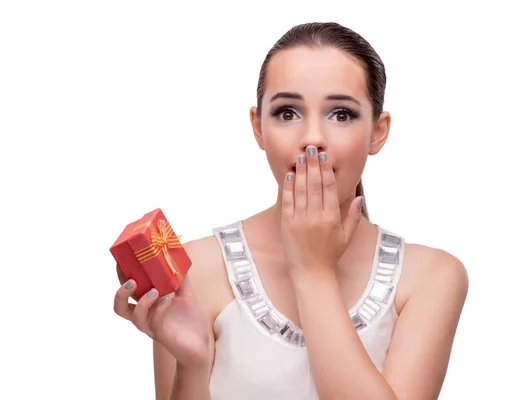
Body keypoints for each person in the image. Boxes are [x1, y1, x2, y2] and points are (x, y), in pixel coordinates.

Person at [113, 21, 469, 400]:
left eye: (341, 114)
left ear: (378, 132)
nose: (312, 138)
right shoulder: (194, 272)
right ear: (258, 128)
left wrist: (312, 270)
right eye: (287, 113)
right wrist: (192, 366)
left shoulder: (431, 277)